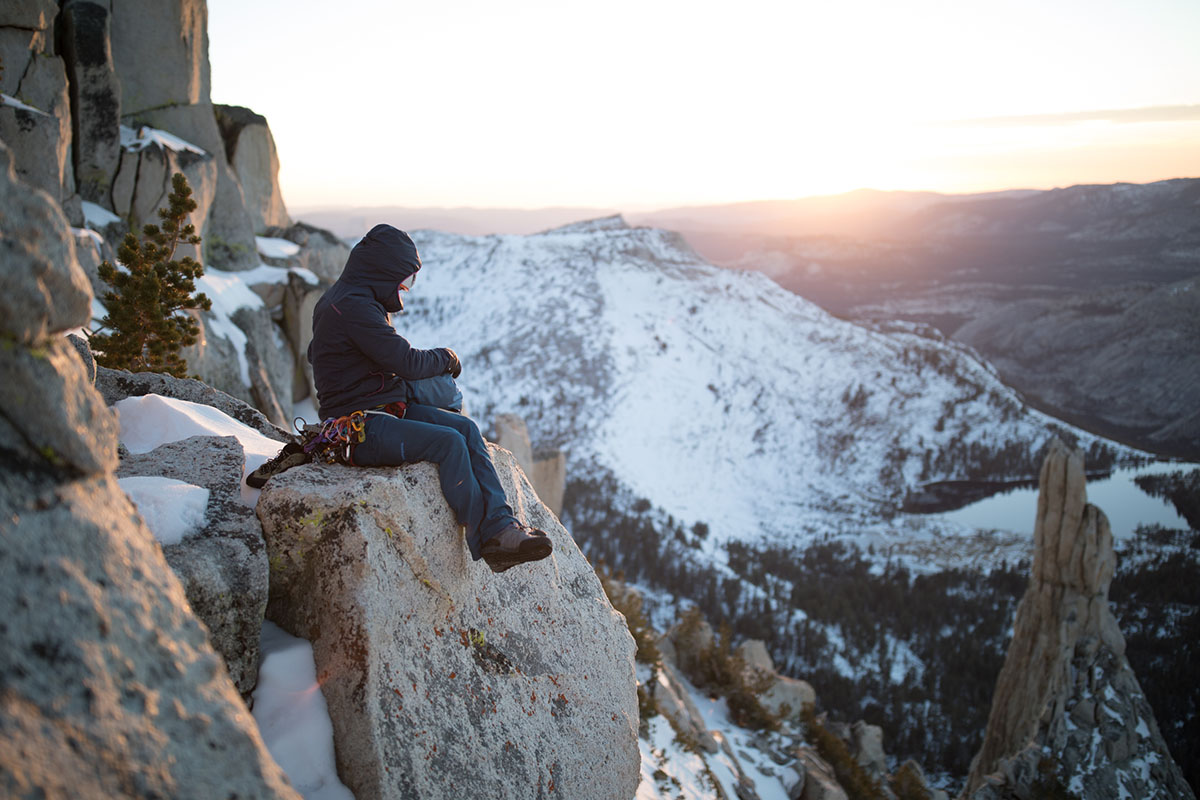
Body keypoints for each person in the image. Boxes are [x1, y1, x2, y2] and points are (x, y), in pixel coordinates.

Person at [256, 224, 552, 574]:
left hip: (386, 410)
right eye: (403, 280)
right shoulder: (351, 307)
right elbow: (407, 362)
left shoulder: (352, 300)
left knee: (467, 429)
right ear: (382, 272)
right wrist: (447, 357)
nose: (405, 289)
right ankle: (488, 538)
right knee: (449, 443)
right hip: (357, 427)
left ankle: (503, 524)